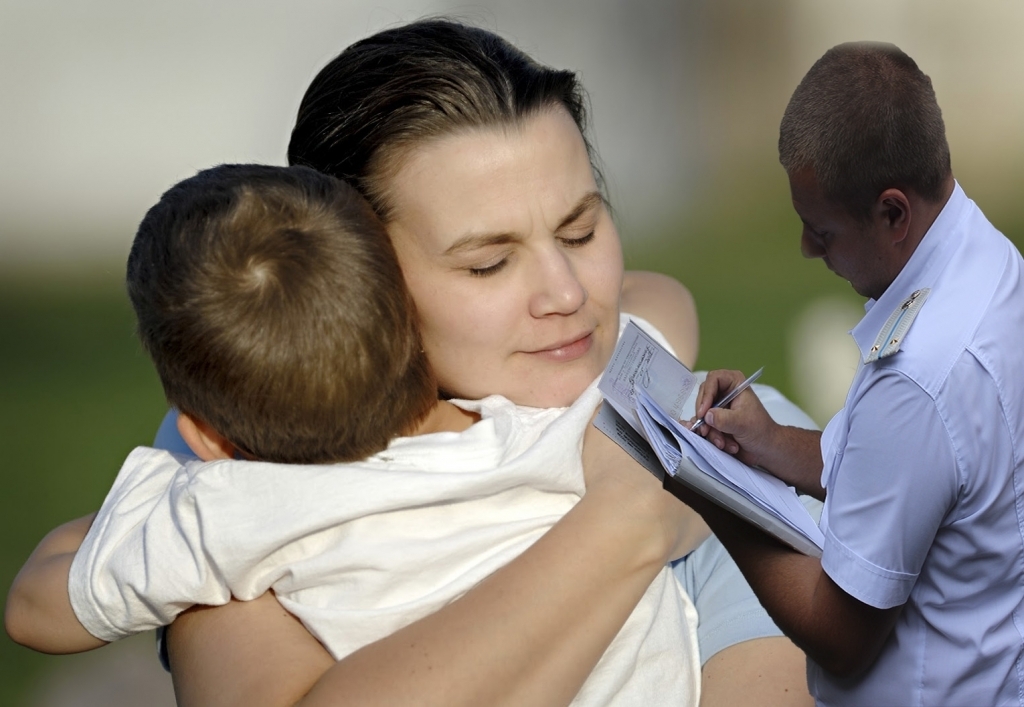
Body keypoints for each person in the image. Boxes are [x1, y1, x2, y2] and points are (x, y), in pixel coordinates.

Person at [9, 19, 817, 707]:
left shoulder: (717, 437)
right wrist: (626, 519)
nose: (567, 293)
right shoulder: (252, 487)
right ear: (360, 280)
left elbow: (654, 305)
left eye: (579, 231)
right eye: (486, 264)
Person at [7, 161, 702, 703]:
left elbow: (34, 606)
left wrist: (179, 475)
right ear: (414, 320)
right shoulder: (555, 423)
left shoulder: (228, 509)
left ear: (207, 435)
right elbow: (663, 301)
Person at [684, 42, 1024, 706]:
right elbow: (900, 473)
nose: (809, 248)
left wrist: (709, 496)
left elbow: (840, 634)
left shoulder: (920, 380)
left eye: (824, 231)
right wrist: (770, 441)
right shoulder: (985, 261)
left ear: (893, 213)